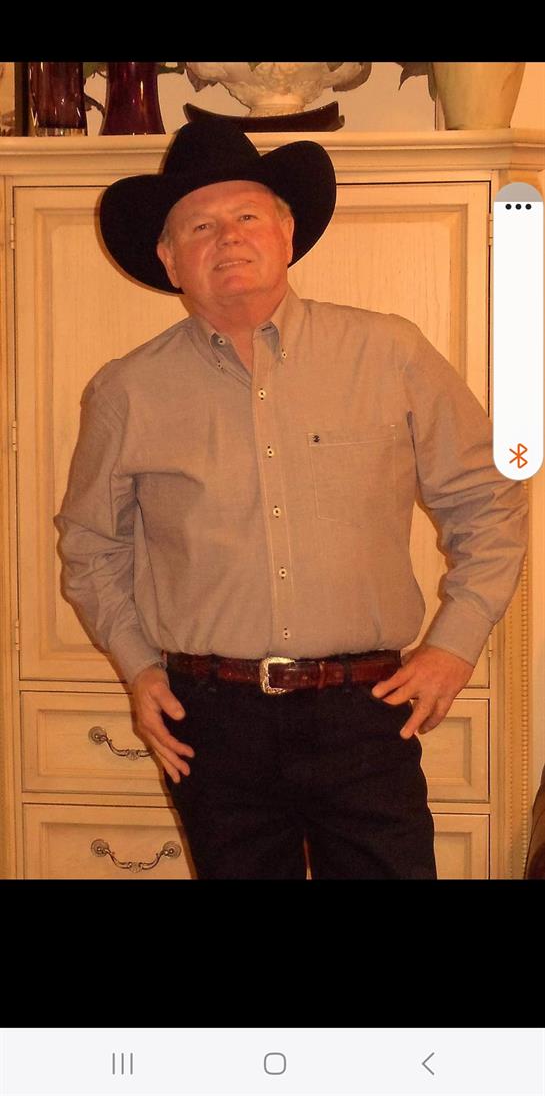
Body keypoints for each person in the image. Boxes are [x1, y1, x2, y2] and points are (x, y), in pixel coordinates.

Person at [53, 119, 528, 880]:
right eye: (198, 226)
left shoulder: (389, 352)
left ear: (286, 230)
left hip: (366, 709)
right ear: (170, 259)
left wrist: (453, 644)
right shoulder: (125, 390)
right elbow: (90, 547)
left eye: (245, 215)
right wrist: (140, 668)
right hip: (210, 718)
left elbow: (488, 501)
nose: (227, 237)